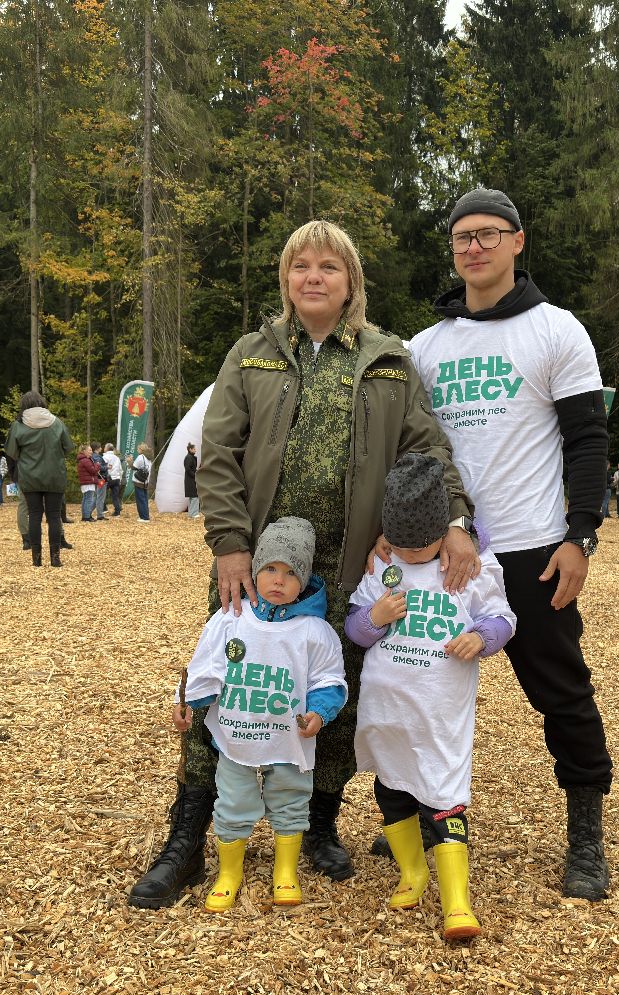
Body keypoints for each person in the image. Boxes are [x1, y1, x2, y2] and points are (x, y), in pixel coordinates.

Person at [128, 219, 473, 910]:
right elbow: (218, 452)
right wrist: (228, 541)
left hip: (350, 565)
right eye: (300, 266)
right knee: (225, 679)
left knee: (333, 693)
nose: (313, 277)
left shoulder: (387, 361)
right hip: (256, 569)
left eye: (329, 267)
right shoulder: (252, 355)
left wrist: (455, 521)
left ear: (351, 282)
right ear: (287, 279)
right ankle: (187, 838)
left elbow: (429, 451)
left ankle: (316, 826)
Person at [404, 187, 613, 901]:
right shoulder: (425, 347)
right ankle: (413, 812)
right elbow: (410, 450)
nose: (474, 247)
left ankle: (585, 833)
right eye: (463, 236)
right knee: (417, 688)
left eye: (489, 234)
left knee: (562, 693)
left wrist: (580, 535)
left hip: (530, 546)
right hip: (441, 549)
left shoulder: (556, 331)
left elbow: (589, 440)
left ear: (518, 242)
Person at [346, 455, 515, 940]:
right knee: (390, 786)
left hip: (440, 712)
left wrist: (482, 638)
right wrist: (374, 617)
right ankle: (413, 871)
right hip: (387, 708)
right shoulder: (384, 563)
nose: (412, 555)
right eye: (402, 544)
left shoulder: (471, 567)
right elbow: (356, 630)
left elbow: (505, 618)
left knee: (445, 795)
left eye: (422, 546)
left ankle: (458, 901)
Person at [172, 518, 347, 912]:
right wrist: (187, 703)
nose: (278, 580)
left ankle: (285, 871)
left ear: (304, 579)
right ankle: (229, 873)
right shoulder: (230, 619)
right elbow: (203, 670)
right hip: (235, 738)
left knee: (291, 801)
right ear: (255, 571)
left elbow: (329, 680)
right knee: (231, 804)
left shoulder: (315, 632)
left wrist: (319, 712)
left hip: (288, 741)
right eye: (270, 568)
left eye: (290, 572)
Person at [5, 391, 76, 566]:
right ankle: (55, 558)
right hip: (55, 475)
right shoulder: (57, 422)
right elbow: (68, 447)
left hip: (29, 476)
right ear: (41, 403)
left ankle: (36, 559)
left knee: (35, 515)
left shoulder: (18, 425)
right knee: (53, 516)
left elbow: (12, 452)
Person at [77, 444, 102, 524]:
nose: (91, 452)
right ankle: (87, 517)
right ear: (84, 451)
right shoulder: (86, 460)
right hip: (88, 482)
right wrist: (98, 465)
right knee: (89, 500)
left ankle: (85, 516)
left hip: (86, 482)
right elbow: (93, 470)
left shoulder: (84, 459)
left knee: (85, 499)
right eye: (90, 450)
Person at [131, 442, 152, 522]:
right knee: (144, 499)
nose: (137, 450)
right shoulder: (148, 458)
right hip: (145, 481)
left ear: (141, 449)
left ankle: (144, 517)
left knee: (140, 500)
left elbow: (134, 467)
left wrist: (130, 461)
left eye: (138, 449)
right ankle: (146, 515)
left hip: (138, 481)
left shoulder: (140, 457)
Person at [103, 442, 123, 516]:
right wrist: (119, 479)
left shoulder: (105, 457)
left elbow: (103, 468)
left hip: (108, 478)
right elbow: (120, 469)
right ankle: (117, 512)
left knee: (102, 494)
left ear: (107, 449)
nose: (104, 448)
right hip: (116, 478)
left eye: (105, 447)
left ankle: (103, 509)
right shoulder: (117, 458)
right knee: (115, 496)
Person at [183, 442, 199, 519]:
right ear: (190, 449)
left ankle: (191, 513)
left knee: (192, 497)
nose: (195, 450)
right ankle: (194, 514)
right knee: (195, 497)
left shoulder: (190, 457)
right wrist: (195, 475)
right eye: (194, 449)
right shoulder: (189, 458)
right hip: (190, 479)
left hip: (190, 479)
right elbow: (188, 469)